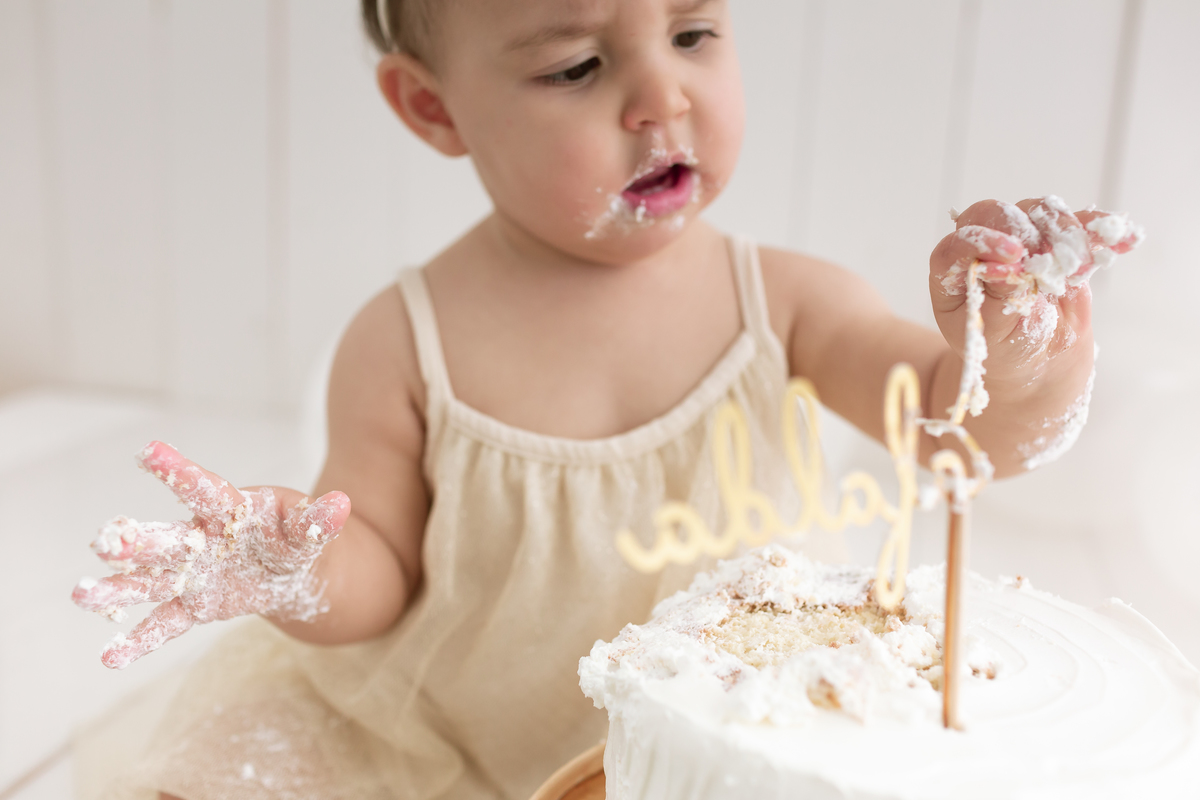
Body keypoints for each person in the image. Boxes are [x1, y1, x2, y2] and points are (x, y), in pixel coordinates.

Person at [73, 1, 1141, 798]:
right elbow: (378, 580)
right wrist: (296, 568)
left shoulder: (790, 304)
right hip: (444, 742)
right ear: (433, 106)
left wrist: (1017, 351)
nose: (662, 98)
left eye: (692, 34)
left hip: (717, 735)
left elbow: (969, 432)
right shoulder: (405, 340)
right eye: (578, 65)